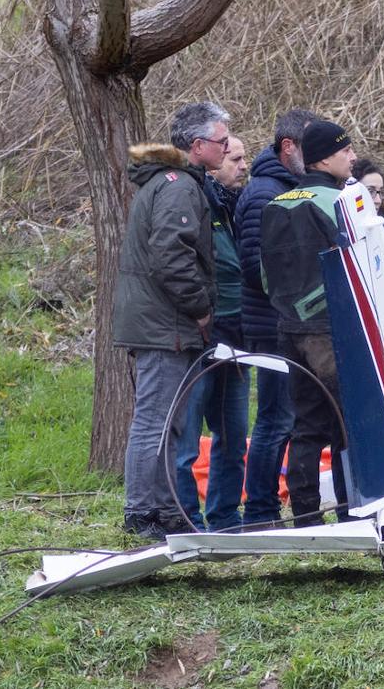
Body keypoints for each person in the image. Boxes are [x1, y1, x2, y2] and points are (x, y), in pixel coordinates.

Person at [113, 102, 228, 540]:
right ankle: (141, 512)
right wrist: (200, 308)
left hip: (164, 322)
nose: (226, 149)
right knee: (154, 421)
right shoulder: (178, 186)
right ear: (197, 146)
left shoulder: (174, 183)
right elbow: (172, 257)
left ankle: (165, 510)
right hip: (166, 325)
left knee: (172, 422)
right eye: (220, 142)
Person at [261, 119, 357, 527]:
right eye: (345, 150)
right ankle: (353, 509)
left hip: (288, 329)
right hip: (330, 329)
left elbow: (264, 275)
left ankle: (304, 515)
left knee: (305, 424)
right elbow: (356, 266)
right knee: (345, 424)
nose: (353, 156)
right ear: (323, 158)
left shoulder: (276, 204)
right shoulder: (336, 203)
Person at [234, 109, 320, 527]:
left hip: (284, 321)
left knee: (285, 416)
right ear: (289, 147)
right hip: (272, 325)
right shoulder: (265, 193)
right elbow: (255, 264)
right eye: (311, 146)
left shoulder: (286, 187)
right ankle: (261, 510)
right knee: (275, 418)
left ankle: (265, 509)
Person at [174, 136, 250, 531]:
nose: (241, 164)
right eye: (234, 157)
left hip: (238, 336)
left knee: (234, 435)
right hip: (203, 334)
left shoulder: (238, 203)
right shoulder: (196, 200)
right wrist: (202, 314)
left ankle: (224, 517)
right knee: (186, 439)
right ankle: (187, 519)